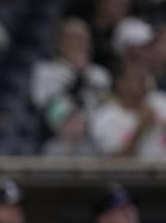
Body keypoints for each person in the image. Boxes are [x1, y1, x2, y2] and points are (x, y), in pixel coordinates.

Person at [30, 18, 111, 155]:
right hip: (57, 144)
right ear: (60, 44)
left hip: (93, 145)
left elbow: (104, 110)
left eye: (85, 39)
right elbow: (52, 113)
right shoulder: (46, 71)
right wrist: (78, 79)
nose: (81, 44)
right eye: (75, 38)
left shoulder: (100, 74)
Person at [89, 58, 166, 159]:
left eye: (144, 77)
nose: (144, 81)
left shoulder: (161, 101)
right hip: (132, 175)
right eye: (137, 77)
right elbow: (113, 163)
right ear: (121, 83)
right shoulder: (105, 116)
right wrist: (141, 128)